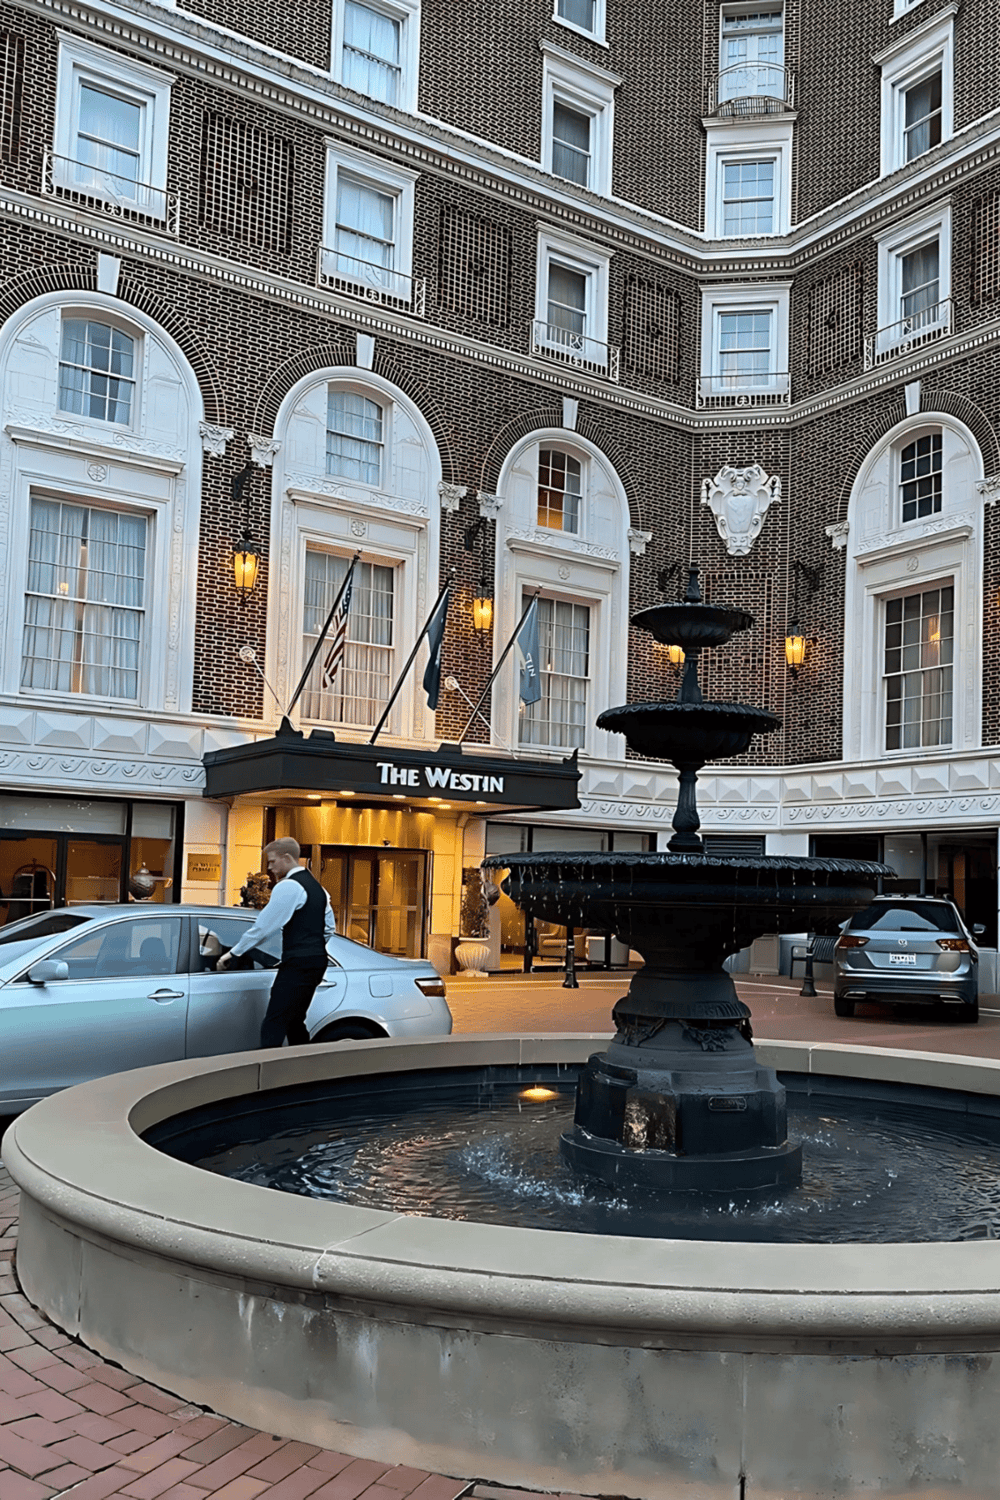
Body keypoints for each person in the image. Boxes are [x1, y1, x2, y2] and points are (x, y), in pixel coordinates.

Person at [217, 837, 337, 1048]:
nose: (269, 867)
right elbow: (328, 928)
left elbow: (264, 927)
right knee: (294, 1020)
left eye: (272, 861)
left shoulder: (289, 886)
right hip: (316, 963)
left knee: (275, 1022)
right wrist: (312, 947)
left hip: (298, 964)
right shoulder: (319, 889)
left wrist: (233, 953)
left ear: (287, 858)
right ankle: (304, 1068)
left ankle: (266, 1076)